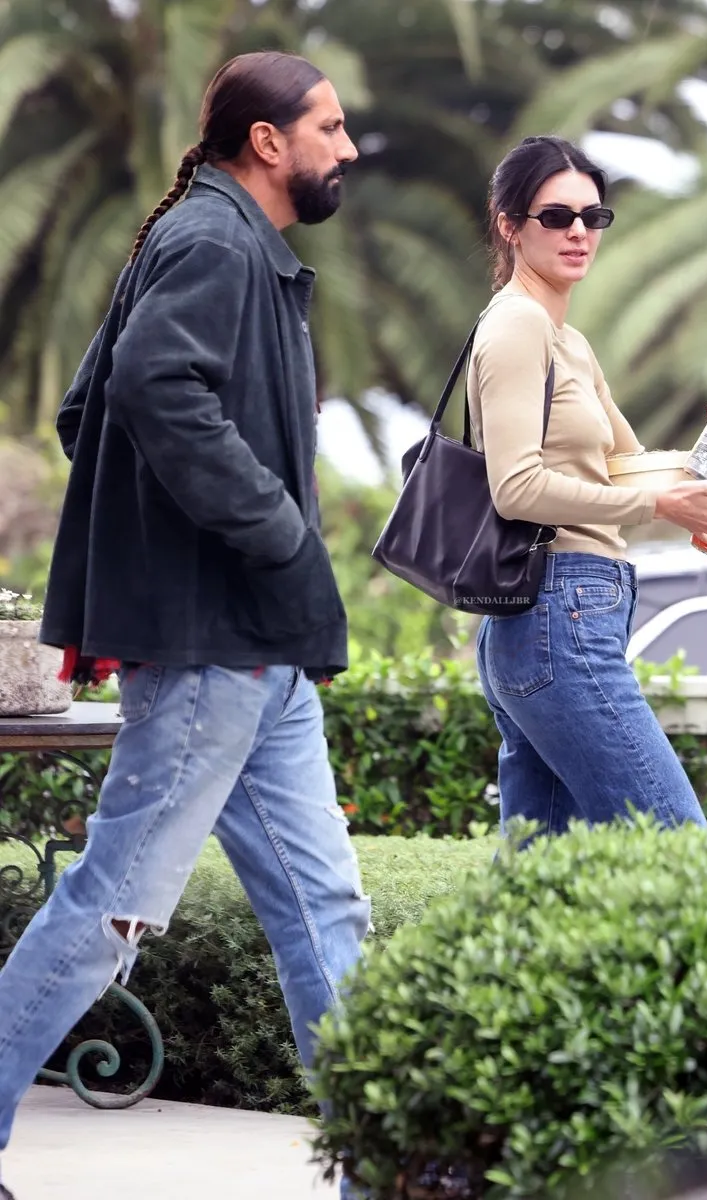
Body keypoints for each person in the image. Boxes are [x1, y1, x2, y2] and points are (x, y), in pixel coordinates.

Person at [0, 52, 368, 1200]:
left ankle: (394, 1163)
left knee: (326, 908)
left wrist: (222, 527)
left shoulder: (217, 243)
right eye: (331, 128)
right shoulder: (214, 244)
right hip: (217, 648)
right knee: (111, 907)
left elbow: (84, 413)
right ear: (269, 142)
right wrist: (268, 526)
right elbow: (154, 390)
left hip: (253, 653)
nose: (348, 149)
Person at [468, 135, 707, 837]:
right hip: (555, 613)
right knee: (678, 846)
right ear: (509, 225)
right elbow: (516, 488)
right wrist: (657, 501)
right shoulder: (517, 325)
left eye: (593, 217)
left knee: (546, 885)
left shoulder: (566, 339)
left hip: (555, 618)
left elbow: (627, 470)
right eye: (556, 216)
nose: (579, 231)